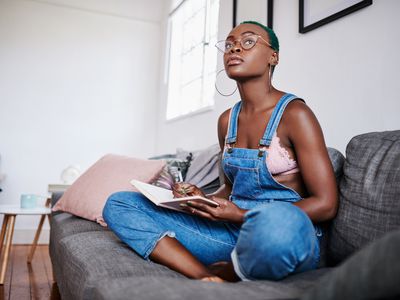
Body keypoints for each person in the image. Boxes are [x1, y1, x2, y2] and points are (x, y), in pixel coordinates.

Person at [102, 21, 338, 282]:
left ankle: (233, 269)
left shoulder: (295, 114)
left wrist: (241, 214)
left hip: (284, 236)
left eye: (248, 41)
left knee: (277, 223)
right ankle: (207, 276)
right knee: (119, 203)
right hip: (231, 234)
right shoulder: (227, 121)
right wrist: (202, 198)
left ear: (273, 56)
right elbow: (230, 188)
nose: (235, 47)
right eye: (229, 44)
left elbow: (326, 204)